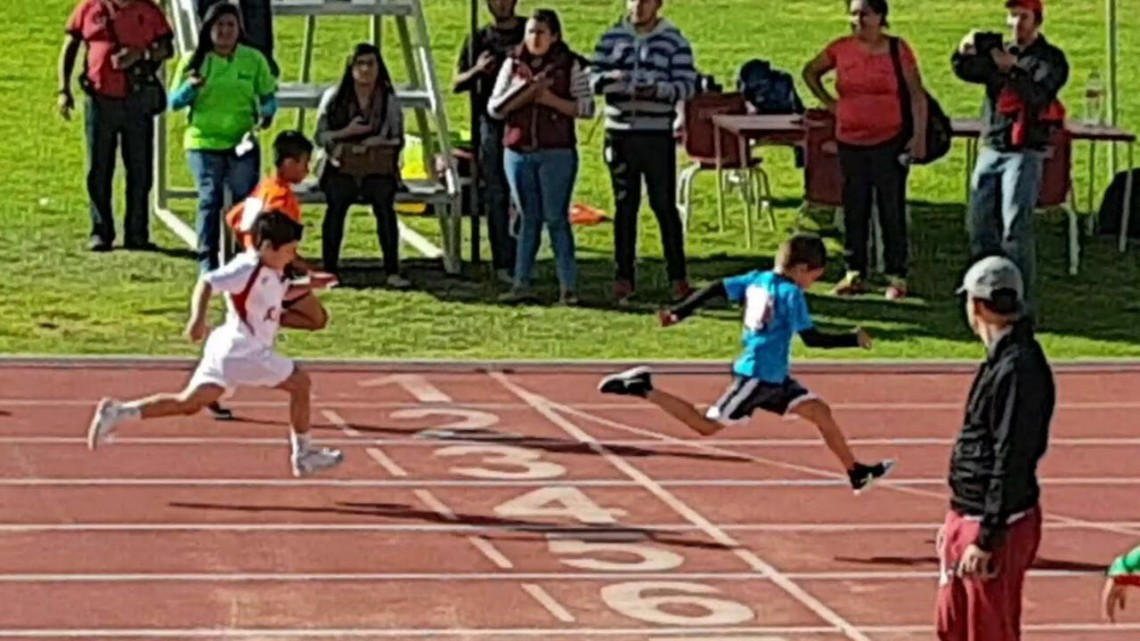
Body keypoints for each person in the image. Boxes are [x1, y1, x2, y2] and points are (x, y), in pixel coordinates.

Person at [597, 233, 895, 492]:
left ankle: (856, 472)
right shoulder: (791, 294)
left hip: (774, 377)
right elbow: (813, 339)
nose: (812, 284)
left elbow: (715, 288)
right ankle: (643, 387)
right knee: (707, 426)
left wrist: (679, 313)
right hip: (757, 376)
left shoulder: (756, 279)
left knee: (819, 411)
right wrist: (852, 338)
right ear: (802, 269)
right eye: (814, 278)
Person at [86, 212, 345, 478]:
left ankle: (119, 412)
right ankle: (303, 454)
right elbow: (208, 282)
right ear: (267, 246)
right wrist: (198, 319)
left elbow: (276, 292)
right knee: (300, 384)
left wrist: (311, 284)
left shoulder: (272, 270)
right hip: (244, 351)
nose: (293, 256)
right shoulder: (246, 267)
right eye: (289, 250)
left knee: (188, 403)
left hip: (226, 348)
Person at [935, 254, 1055, 641]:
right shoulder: (1002, 360)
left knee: (988, 631)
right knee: (952, 625)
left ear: (977, 305)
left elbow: (1012, 455)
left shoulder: (1018, 368)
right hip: (970, 514)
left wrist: (988, 536)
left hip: (994, 525)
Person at [802, 0, 928, 300]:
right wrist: (830, 103)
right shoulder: (840, 48)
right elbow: (810, 72)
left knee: (890, 207)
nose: (858, 20)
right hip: (850, 140)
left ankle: (896, 275)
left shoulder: (898, 50)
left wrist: (919, 136)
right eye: (854, 13)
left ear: (881, 17)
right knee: (854, 205)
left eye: (865, 14)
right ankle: (854, 270)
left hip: (890, 139)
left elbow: (916, 95)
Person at [952, 0, 1069, 313]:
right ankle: (982, 292)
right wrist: (964, 50)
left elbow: (1039, 95)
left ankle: (1021, 301)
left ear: (1037, 20)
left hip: (1025, 150)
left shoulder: (1051, 59)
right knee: (978, 223)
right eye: (1013, 15)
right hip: (993, 145)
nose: (1016, 22)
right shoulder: (1000, 51)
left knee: (1015, 227)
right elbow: (968, 72)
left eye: (1023, 16)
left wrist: (1012, 70)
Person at [591, 0, 697, 304]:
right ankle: (623, 277)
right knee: (625, 206)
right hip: (620, 132)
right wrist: (611, 82)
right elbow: (589, 78)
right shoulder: (611, 38)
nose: (638, 6)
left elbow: (688, 84)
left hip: (656, 134)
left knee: (664, 205)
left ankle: (678, 277)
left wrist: (659, 91)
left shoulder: (674, 41)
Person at [487, 9, 594, 304]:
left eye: (541, 33)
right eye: (531, 32)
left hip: (556, 152)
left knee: (556, 218)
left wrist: (550, 100)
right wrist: (527, 91)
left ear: (555, 36)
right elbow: (495, 107)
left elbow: (586, 108)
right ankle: (522, 283)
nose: (535, 38)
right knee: (526, 218)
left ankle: (568, 287)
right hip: (518, 151)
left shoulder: (570, 65)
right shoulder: (512, 63)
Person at [169, 1, 278, 272]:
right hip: (204, 140)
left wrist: (266, 112)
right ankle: (207, 260)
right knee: (210, 197)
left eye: (231, 25)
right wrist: (189, 89)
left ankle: (247, 254)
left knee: (246, 199)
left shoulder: (253, 59)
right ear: (209, 29)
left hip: (241, 140)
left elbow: (268, 95)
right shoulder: (195, 60)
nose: (225, 31)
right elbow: (174, 102)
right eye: (220, 25)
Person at [59, 0, 174, 252]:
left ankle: (137, 232)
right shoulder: (89, 7)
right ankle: (100, 231)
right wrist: (63, 89)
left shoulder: (148, 10)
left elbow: (166, 47)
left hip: (137, 97)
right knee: (99, 168)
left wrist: (140, 55)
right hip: (99, 99)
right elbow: (71, 44)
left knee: (140, 169)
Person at [314, 43, 410, 289]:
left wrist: (378, 141)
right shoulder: (335, 98)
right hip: (340, 164)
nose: (366, 69)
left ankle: (392, 270)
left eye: (371, 64)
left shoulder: (389, 100)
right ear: (351, 67)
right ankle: (330, 270)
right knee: (336, 204)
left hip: (377, 167)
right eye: (360, 64)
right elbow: (320, 137)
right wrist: (347, 133)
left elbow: (399, 138)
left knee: (384, 204)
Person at [453, 0, 527, 285]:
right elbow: (457, 83)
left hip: (524, 121)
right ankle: (502, 261)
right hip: (490, 123)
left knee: (524, 192)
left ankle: (524, 255)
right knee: (495, 192)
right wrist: (477, 71)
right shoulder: (479, 38)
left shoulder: (529, 31)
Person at [1103, 545, 1140, 622]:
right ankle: (1109, 618)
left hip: (1125, 569)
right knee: (1111, 594)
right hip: (1123, 568)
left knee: (1111, 594)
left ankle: (1109, 618)